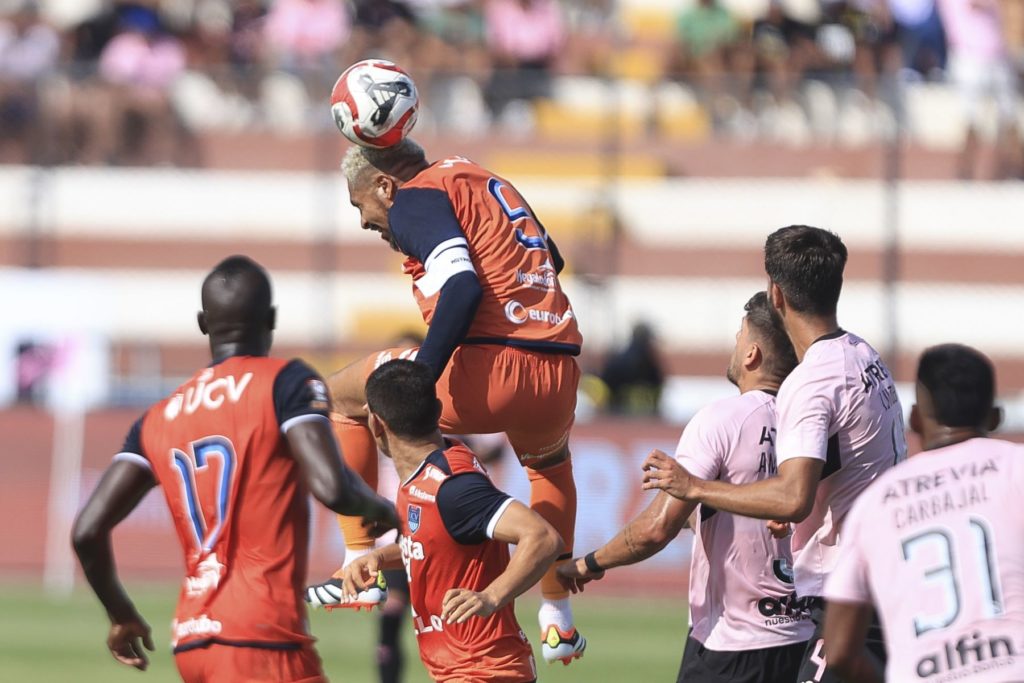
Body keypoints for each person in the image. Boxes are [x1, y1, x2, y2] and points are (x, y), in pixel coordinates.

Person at [306, 137, 586, 664]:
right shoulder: (482, 178)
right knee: (549, 467)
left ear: (385, 185)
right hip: (557, 365)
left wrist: (419, 379)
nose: (365, 220)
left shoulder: (413, 196)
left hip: (490, 366)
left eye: (359, 203)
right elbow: (552, 257)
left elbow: (460, 287)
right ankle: (557, 619)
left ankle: (357, 563)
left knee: (342, 396)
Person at [72, 255, 398, 682]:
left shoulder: (159, 417)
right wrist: (388, 513)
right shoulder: (286, 382)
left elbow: (86, 532)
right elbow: (331, 485)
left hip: (193, 639)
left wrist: (121, 614)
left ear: (203, 323)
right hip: (261, 635)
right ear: (271, 319)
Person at [641, 225, 905, 683]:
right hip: (882, 581)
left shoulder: (811, 380)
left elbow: (792, 497)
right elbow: (852, 470)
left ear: (775, 293)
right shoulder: (865, 356)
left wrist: (695, 487)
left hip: (850, 595)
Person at [559, 292, 814, 683]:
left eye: (739, 338)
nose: (735, 345)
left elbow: (656, 528)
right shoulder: (814, 427)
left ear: (752, 355)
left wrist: (588, 564)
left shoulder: (721, 419)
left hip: (731, 646)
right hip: (802, 642)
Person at [342, 359, 564, 681]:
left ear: (376, 424)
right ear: (438, 408)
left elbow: (543, 537)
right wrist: (377, 557)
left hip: (483, 671)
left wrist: (491, 596)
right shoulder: (428, 472)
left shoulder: (453, 487)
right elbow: (430, 546)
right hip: (465, 670)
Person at [823, 344, 1024, 683]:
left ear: (915, 419)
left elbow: (840, 651)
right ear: (995, 417)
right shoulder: (1015, 468)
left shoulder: (876, 503)